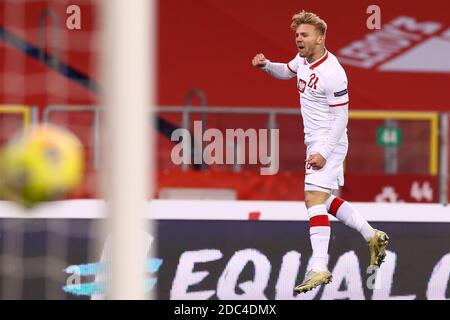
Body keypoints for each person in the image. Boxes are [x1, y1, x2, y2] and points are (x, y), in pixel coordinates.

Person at [252, 10, 389, 294]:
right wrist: (266, 66)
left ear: (320, 38)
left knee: (311, 199)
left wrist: (324, 152)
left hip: (328, 141)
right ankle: (371, 235)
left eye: (305, 35)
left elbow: (341, 119)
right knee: (325, 200)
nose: (299, 40)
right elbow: (286, 72)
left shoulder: (333, 73)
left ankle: (319, 265)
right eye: (297, 35)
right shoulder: (302, 60)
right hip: (316, 141)